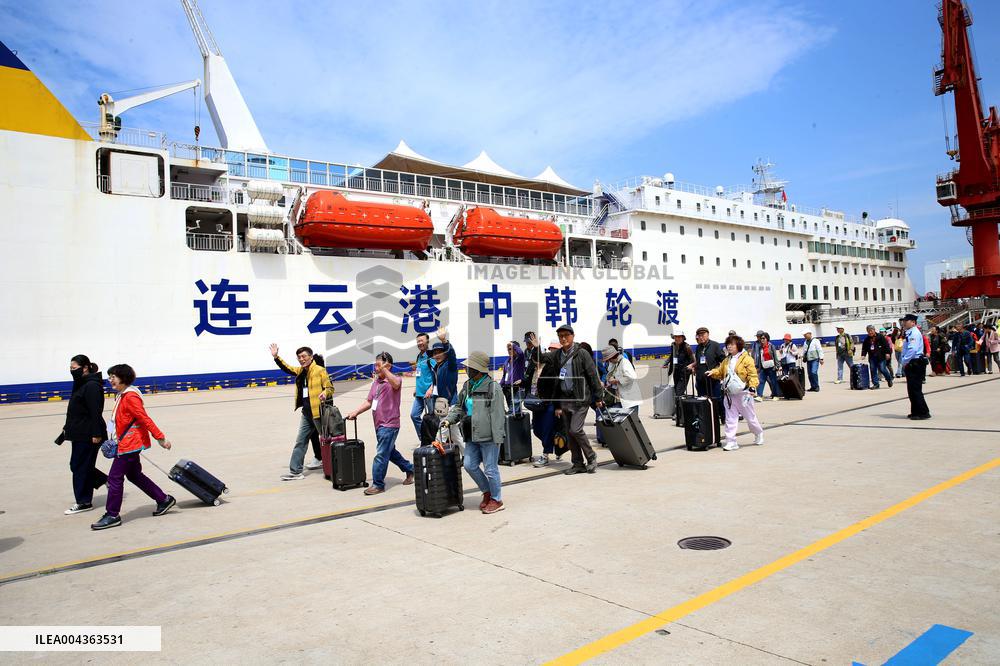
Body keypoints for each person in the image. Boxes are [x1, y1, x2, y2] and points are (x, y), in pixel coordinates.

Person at [90, 364, 175, 530]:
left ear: (123, 378)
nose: (110, 380)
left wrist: (160, 438)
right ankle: (163, 499)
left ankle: (112, 514)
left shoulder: (130, 397)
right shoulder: (122, 395)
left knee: (114, 478)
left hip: (130, 444)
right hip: (127, 442)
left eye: (113, 377)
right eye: (110, 377)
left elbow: (144, 418)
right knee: (134, 475)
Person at [441, 351, 507, 514]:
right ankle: (487, 492)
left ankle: (497, 499)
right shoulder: (467, 386)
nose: (467, 370)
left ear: (478, 370)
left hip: (488, 436)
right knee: (469, 465)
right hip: (471, 434)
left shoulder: (493, 387)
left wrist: (498, 437)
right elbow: (458, 406)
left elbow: (498, 415)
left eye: (470, 367)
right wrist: (449, 419)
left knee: (490, 469)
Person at [346, 352, 414, 495]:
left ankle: (378, 484)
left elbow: (396, 384)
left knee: (381, 454)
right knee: (390, 453)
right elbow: (369, 401)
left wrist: (384, 370)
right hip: (378, 424)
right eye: (375, 365)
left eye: (378, 365)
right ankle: (412, 469)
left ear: (388, 365)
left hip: (390, 424)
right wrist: (355, 412)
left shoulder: (395, 380)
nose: (376, 368)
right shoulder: (376, 382)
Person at [546, 325, 605, 475]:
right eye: (561, 336)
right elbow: (546, 365)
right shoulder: (557, 355)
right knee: (569, 433)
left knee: (575, 429)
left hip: (580, 398)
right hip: (565, 399)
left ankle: (591, 457)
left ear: (573, 336)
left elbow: (593, 376)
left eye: (566, 335)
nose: (563, 338)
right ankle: (577, 463)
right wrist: (535, 348)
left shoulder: (582, 354)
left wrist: (598, 397)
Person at [271, 344, 333, 480]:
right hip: (306, 413)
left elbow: (330, 388)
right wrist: (276, 357)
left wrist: (324, 393)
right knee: (301, 441)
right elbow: (287, 368)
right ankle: (295, 471)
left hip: (319, 412)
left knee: (327, 440)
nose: (301, 359)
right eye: (299, 357)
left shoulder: (320, 370)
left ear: (311, 357)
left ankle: (334, 466)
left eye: (304, 356)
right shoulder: (301, 371)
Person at [61, 355, 109, 515]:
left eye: (74, 368)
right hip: (78, 431)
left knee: (80, 466)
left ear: (85, 367)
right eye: (70, 368)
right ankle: (104, 480)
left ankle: (83, 501)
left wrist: (96, 433)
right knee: (78, 465)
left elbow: (96, 411)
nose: (71, 371)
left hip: (89, 434)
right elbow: (75, 410)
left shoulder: (92, 386)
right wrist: (67, 428)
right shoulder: (80, 384)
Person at [707, 335, 764, 451]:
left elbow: (753, 375)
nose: (729, 346)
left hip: (744, 393)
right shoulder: (726, 360)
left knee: (750, 417)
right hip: (729, 394)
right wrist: (712, 372)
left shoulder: (747, 359)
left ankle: (758, 433)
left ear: (738, 345)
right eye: (728, 344)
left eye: (732, 344)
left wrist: (752, 387)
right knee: (730, 418)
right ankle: (731, 441)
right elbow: (720, 371)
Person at [527, 338, 560, 467]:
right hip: (537, 404)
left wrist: (557, 405)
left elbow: (557, 387)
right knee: (536, 430)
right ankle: (555, 444)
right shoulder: (534, 369)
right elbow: (529, 382)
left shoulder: (551, 368)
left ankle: (545, 455)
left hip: (549, 404)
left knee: (546, 429)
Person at [900, 314, 930, 419]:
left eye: (906, 321)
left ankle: (923, 412)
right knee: (912, 389)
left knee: (915, 389)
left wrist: (904, 361)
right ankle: (916, 411)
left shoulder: (914, 333)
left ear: (913, 322)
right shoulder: (909, 332)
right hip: (912, 362)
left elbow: (912, 349)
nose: (904, 322)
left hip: (915, 363)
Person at [687, 327, 725, 398]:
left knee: (715, 401)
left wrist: (717, 371)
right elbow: (699, 361)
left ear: (708, 334)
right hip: (700, 381)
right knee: (702, 403)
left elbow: (724, 361)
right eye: (699, 335)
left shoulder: (715, 345)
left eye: (703, 335)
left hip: (712, 380)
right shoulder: (698, 347)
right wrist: (694, 367)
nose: (701, 337)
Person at [602, 345, 642, 409]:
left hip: (630, 399)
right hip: (620, 399)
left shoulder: (624, 362)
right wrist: (610, 382)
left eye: (608, 360)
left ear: (612, 357)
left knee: (632, 418)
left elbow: (632, 377)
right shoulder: (614, 364)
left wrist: (616, 381)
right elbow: (610, 375)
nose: (608, 362)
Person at [410, 332, 433, 438]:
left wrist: (431, 388)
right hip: (419, 394)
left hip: (429, 394)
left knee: (432, 418)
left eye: (421, 340)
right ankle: (424, 438)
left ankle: (436, 439)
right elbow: (420, 374)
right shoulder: (419, 357)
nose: (420, 343)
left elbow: (437, 374)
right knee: (414, 415)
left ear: (427, 342)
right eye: (418, 341)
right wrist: (416, 388)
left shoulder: (430, 356)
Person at [750, 331, 781, 401]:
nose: (762, 340)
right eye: (761, 338)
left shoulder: (771, 346)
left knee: (773, 381)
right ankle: (759, 396)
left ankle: (775, 395)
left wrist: (777, 366)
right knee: (761, 381)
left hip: (771, 367)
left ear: (767, 339)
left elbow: (775, 357)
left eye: (763, 338)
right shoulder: (760, 347)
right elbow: (758, 357)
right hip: (763, 367)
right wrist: (757, 366)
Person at [429, 339, 459, 403]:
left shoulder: (450, 365)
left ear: (445, 354)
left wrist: (444, 341)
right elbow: (435, 386)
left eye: (440, 352)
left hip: (451, 401)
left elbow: (452, 354)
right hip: (439, 401)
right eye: (435, 353)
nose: (437, 355)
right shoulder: (435, 368)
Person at [500, 340, 525, 413]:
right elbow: (504, 376)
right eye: (508, 349)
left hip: (518, 388)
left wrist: (512, 344)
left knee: (512, 410)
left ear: (516, 349)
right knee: (516, 411)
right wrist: (499, 385)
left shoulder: (519, 360)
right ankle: (519, 424)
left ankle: (509, 423)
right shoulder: (506, 362)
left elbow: (520, 353)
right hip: (508, 389)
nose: (509, 351)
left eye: (511, 349)